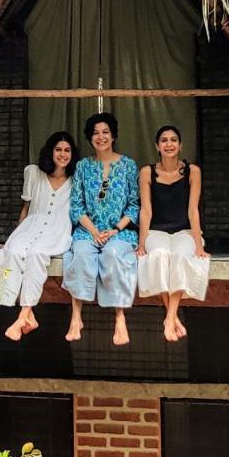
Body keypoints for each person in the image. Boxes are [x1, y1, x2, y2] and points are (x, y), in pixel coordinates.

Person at [62, 112, 139, 346]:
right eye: (95, 133)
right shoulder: (83, 167)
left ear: (113, 135)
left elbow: (134, 205)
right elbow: (76, 206)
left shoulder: (127, 165)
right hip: (88, 231)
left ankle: (120, 316)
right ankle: (76, 317)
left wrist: (115, 229)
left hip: (119, 232)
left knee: (113, 255)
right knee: (82, 254)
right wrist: (94, 231)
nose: (101, 137)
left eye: (105, 132)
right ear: (90, 138)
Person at [0, 131, 78, 340]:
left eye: (67, 150)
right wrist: (12, 238)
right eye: (58, 149)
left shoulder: (77, 179)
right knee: (12, 251)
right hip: (32, 224)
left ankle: (23, 315)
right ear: (50, 152)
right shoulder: (34, 172)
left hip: (58, 229)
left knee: (36, 254)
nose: (62, 154)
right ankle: (27, 316)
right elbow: (26, 208)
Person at [137, 125, 210, 342]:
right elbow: (146, 210)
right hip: (156, 231)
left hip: (184, 231)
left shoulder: (193, 171)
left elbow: (193, 210)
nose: (169, 144)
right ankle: (172, 317)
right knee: (159, 255)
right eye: (164, 140)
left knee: (180, 256)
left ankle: (169, 317)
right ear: (157, 146)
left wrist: (199, 245)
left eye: (173, 140)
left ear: (180, 145)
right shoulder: (147, 172)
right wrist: (142, 243)